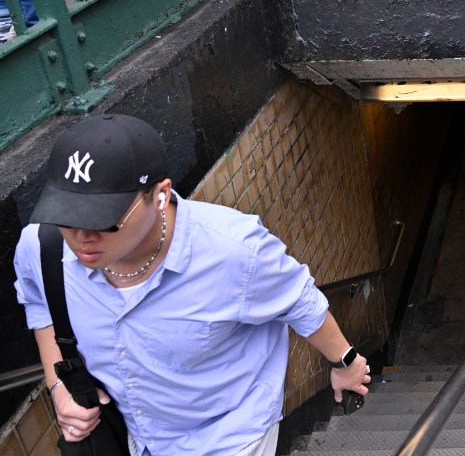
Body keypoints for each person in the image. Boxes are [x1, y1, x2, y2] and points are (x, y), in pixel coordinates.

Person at [13, 114, 370, 455]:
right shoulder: (43, 248)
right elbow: (39, 303)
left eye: (103, 220)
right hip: (139, 437)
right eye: (66, 216)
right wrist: (58, 385)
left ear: (160, 196)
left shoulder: (235, 252)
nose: (81, 237)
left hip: (228, 435)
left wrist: (346, 362)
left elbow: (299, 299)